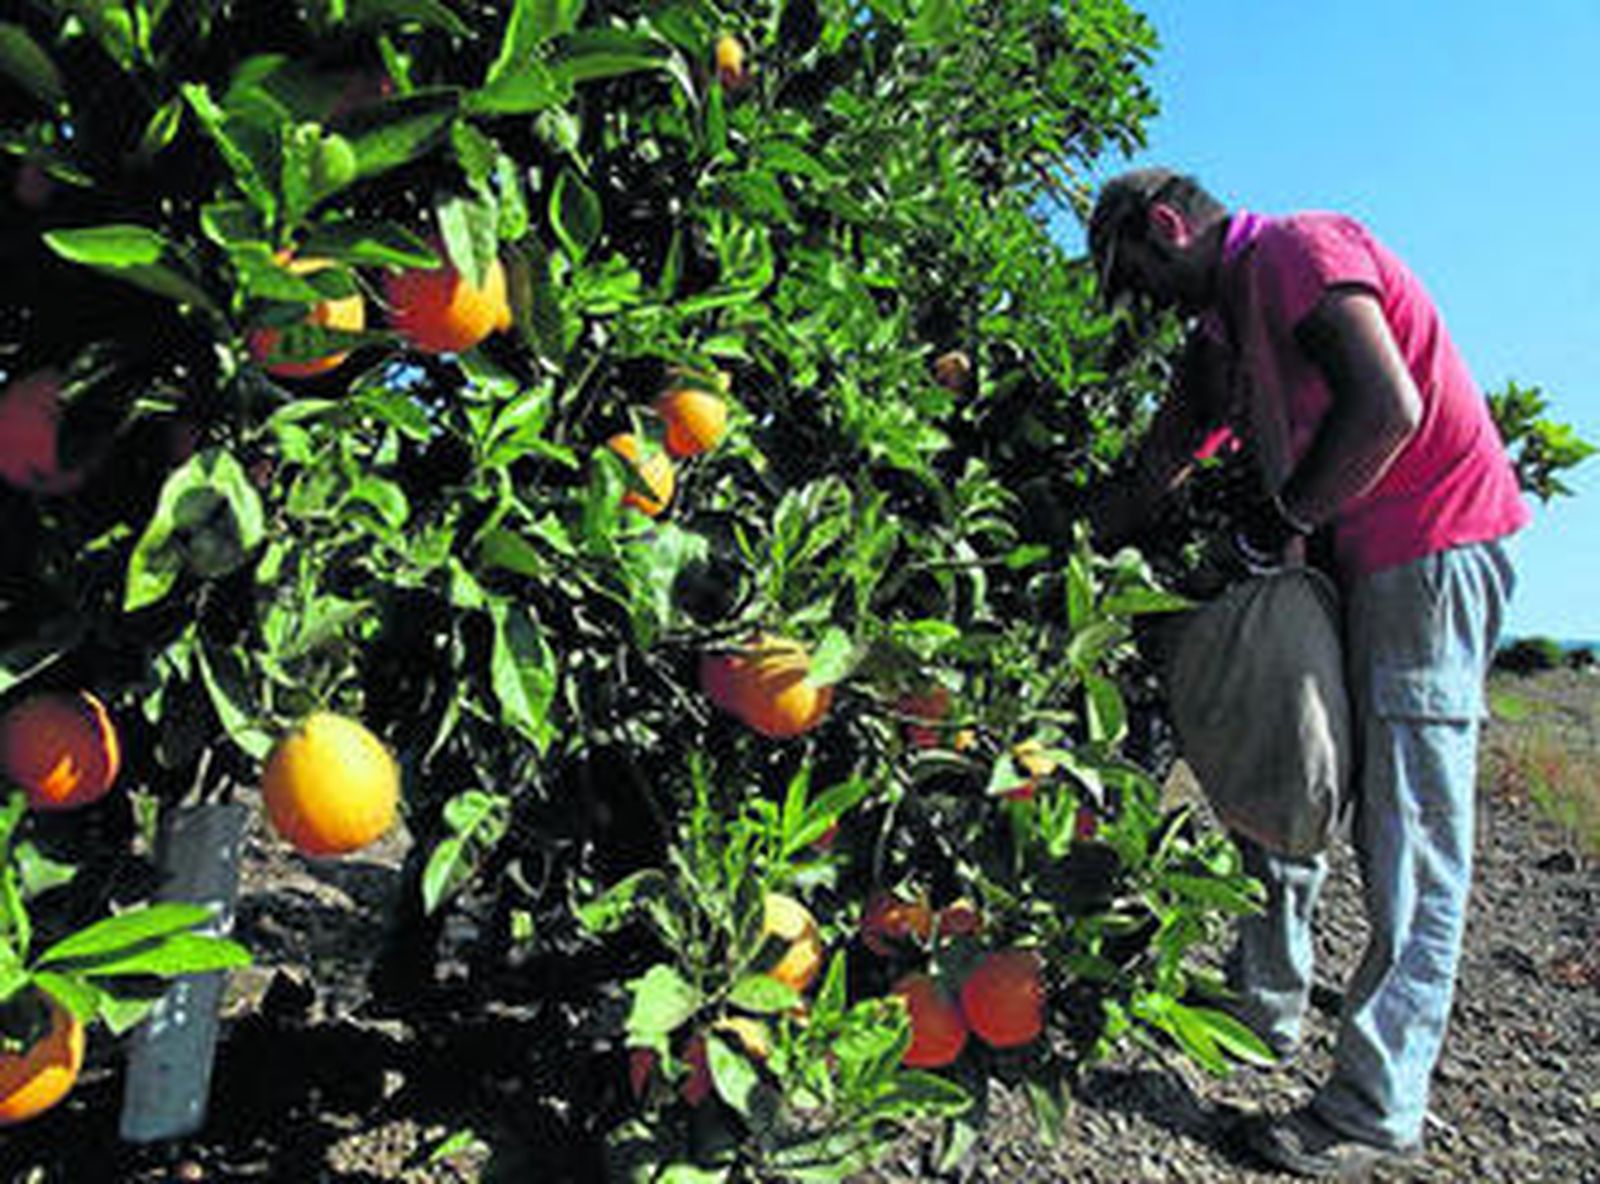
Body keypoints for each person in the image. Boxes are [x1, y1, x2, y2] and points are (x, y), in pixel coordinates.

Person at [1083, 168, 1530, 1178]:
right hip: (1357, 561)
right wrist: (1048, 552)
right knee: (1294, 767)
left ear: (1168, 225)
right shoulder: (1225, 330)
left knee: (1409, 833)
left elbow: (1387, 406)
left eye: (1146, 279)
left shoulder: (1294, 252)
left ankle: (1375, 1106)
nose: (1150, 306)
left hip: (1430, 547)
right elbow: (1158, 467)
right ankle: (1264, 1010)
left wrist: (1273, 524)